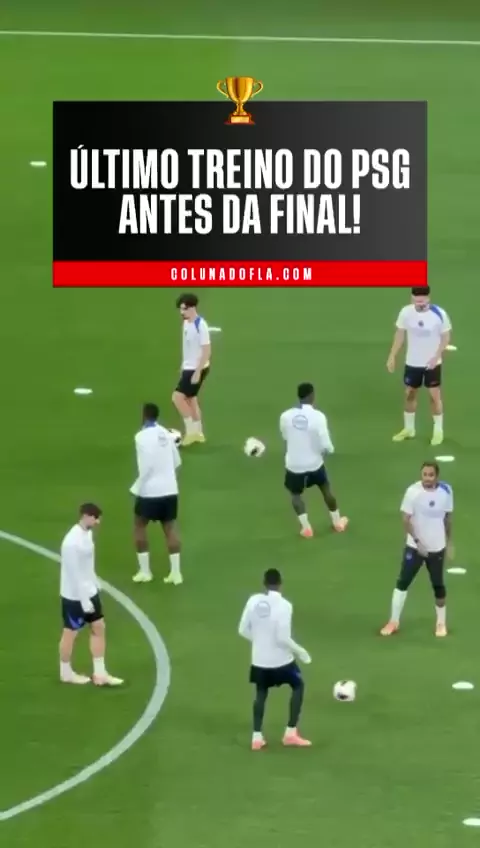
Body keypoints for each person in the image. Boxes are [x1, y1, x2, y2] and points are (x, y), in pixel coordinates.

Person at [238, 568, 312, 751]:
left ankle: (256, 737)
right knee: (298, 685)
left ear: (264, 583)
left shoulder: (253, 601)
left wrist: (260, 641)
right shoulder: (285, 605)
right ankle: (290, 733)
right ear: (280, 584)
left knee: (261, 692)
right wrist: (301, 651)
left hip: (259, 661)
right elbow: (282, 637)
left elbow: (242, 630)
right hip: (281, 662)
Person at [380, 461, 453, 638]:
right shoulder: (413, 492)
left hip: (437, 547)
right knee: (403, 582)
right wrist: (418, 542)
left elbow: (447, 518)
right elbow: (406, 519)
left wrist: (449, 542)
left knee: (438, 585)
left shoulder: (446, 491)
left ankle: (441, 623)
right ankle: (393, 621)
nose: (427, 478)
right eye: (424, 474)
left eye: (431, 475)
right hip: (415, 547)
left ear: (437, 476)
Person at [59, 503, 123, 686]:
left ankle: (100, 674)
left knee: (98, 627)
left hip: (89, 591)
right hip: (74, 596)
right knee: (71, 633)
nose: (97, 522)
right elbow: (73, 573)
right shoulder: (71, 543)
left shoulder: (87, 534)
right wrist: (84, 599)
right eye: (95, 518)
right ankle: (65, 673)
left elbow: (88, 564)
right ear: (85, 516)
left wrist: (95, 581)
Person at [279, 382, 348, 537]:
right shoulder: (318, 416)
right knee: (325, 489)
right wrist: (329, 450)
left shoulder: (285, 416)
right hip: (314, 463)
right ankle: (337, 523)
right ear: (312, 396)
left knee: (295, 495)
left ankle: (306, 528)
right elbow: (325, 442)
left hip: (294, 465)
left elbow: (285, 436)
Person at [387, 286, 452, 446]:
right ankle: (409, 429)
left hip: (432, 363)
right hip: (412, 362)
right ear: (412, 298)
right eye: (417, 301)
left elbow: (446, 337)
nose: (419, 304)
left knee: (434, 396)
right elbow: (400, 335)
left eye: (422, 301)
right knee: (409, 394)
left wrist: (436, 356)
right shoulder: (406, 312)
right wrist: (392, 355)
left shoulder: (439, 314)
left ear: (428, 298)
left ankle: (438, 431)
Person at [131, 403, 183, 585]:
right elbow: (177, 461)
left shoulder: (140, 437)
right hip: (170, 490)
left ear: (144, 415)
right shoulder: (166, 434)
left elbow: (146, 466)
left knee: (139, 526)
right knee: (170, 529)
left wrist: (137, 487)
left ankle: (145, 572)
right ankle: (176, 573)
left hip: (149, 491)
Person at [172, 292, 211, 446]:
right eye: (180, 309)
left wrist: (197, 372)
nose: (182, 312)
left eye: (184, 309)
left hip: (197, 368)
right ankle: (198, 433)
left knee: (177, 398)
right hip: (189, 367)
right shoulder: (186, 323)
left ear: (193, 308)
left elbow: (207, 350)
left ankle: (190, 433)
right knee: (191, 399)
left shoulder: (200, 325)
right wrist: (184, 364)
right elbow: (188, 347)